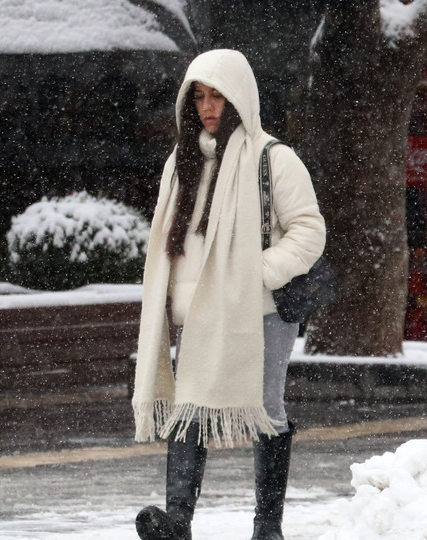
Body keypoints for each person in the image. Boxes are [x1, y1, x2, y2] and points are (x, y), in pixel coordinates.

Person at [131, 49, 325, 540]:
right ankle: (178, 521)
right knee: (189, 406)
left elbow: (307, 230)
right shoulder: (183, 162)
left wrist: (254, 274)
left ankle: (267, 526)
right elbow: (175, 243)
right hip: (198, 313)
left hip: (258, 310)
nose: (208, 106)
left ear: (240, 97)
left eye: (217, 95)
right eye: (198, 96)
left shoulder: (274, 158)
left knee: (264, 409)